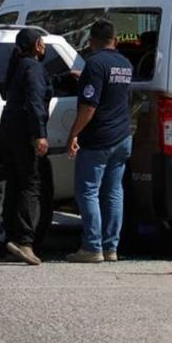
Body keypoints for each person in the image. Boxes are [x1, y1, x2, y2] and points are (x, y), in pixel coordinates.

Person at [66, 19, 133, 263]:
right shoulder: (125, 64)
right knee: (114, 192)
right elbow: (114, 92)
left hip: (98, 138)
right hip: (122, 136)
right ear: (114, 40)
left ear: (92, 41)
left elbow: (89, 107)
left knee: (88, 191)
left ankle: (92, 247)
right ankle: (110, 247)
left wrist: (73, 134)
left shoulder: (94, 64)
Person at [0, 28, 56, 265]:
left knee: (14, 183)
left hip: (8, 131)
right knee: (31, 185)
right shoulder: (34, 68)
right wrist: (40, 135)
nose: (44, 46)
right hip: (24, 134)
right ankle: (25, 242)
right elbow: (34, 101)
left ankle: (10, 240)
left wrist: (61, 78)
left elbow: (35, 88)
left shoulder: (20, 66)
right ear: (37, 45)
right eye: (42, 42)